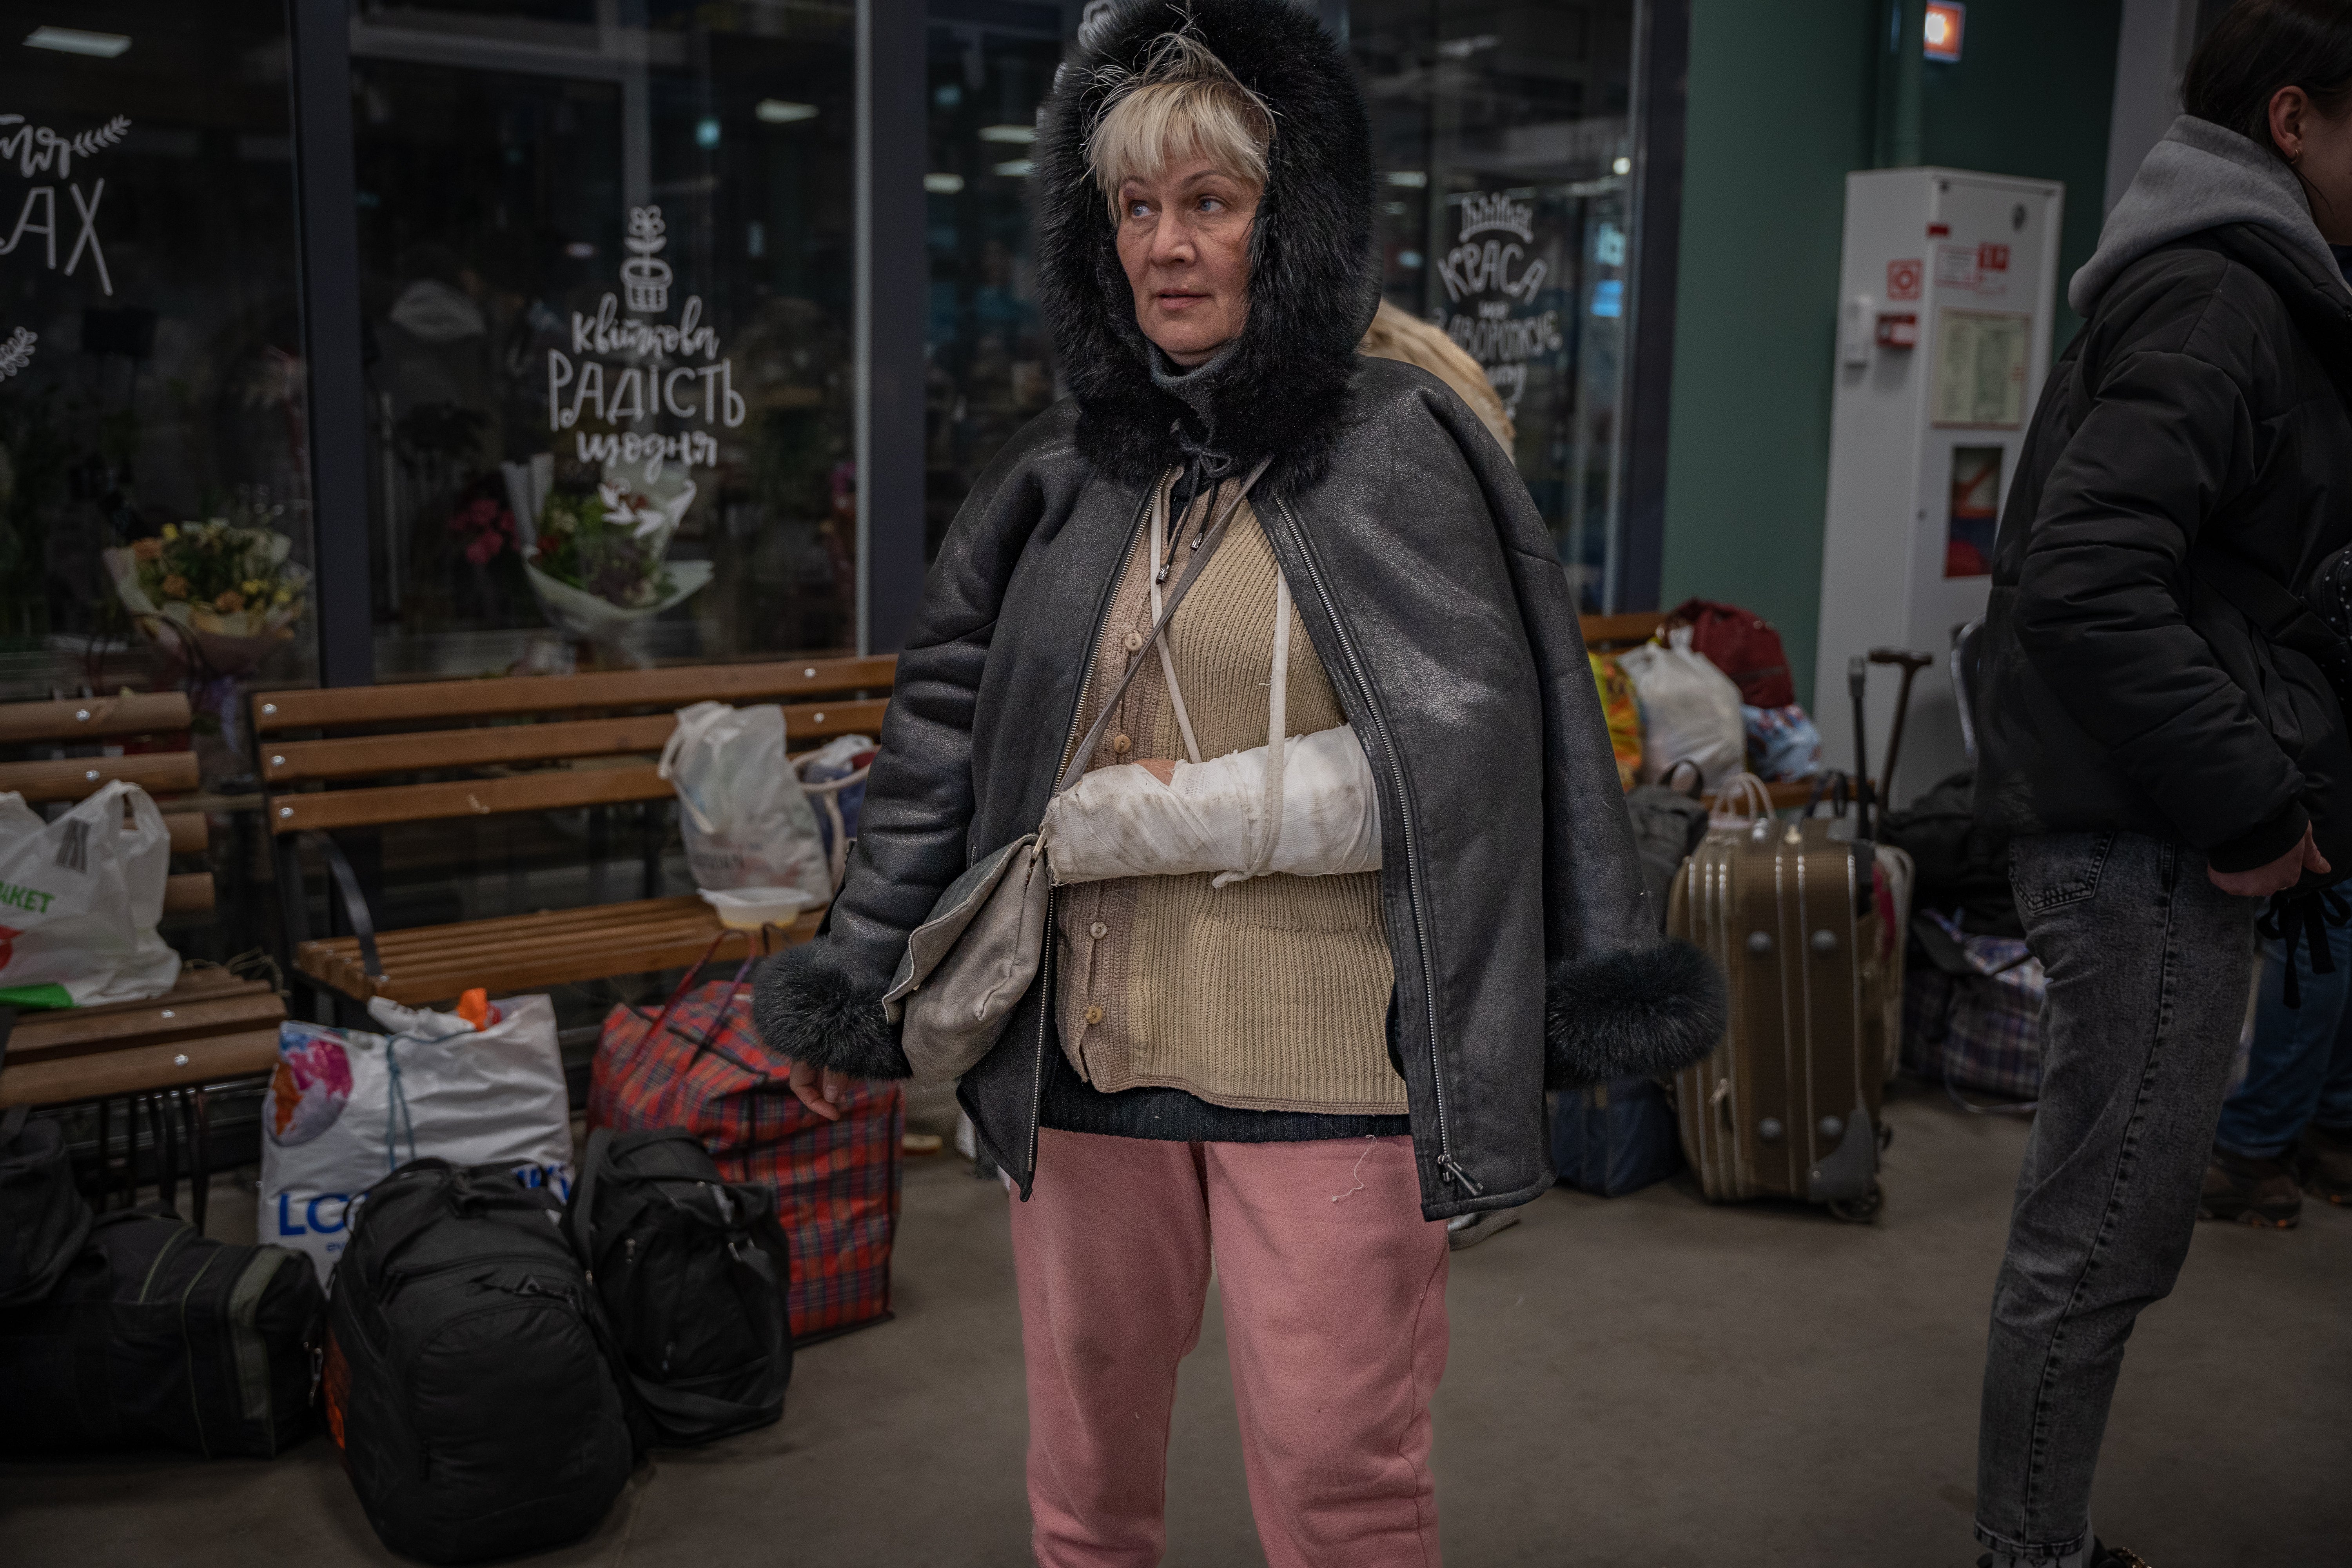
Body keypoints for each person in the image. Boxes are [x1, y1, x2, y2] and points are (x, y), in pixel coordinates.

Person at [753, 4, 1721, 1563]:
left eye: (1211, 201)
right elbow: (942, 732)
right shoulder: (1063, 472)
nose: (1167, 245)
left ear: (1297, 216)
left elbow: (1472, 755)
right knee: (1082, 1498)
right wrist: (856, 982)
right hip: (1090, 1066)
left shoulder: (1406, 447)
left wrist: (1167, 814)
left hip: (1332, 1073)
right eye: (1135, 207)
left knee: (1344, 1497)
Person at [1971, 2, 2352, 1564]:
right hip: (2146, 843)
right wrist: (2254, 802)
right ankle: (2030, 1555)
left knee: (2107, 1226)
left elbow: (2225, 578)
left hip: (2153, 824)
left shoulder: (2248, 293)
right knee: (2105, 1227)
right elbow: (2085, 578)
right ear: (2292, 121)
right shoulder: (2218, 295)